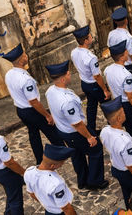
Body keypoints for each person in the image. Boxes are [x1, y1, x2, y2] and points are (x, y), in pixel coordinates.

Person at [45, 60, 108, 190]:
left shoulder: (50, 90)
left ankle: (82, 180)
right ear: (63, 79)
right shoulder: (67, 101)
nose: (70, 75)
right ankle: (95, 181)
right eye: (68, 74)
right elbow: (77, 124)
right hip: (74, 132)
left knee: (77, 154)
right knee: (96, 150)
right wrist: (89, 137)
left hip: (62, 130)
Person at [3, 43, 64, 165]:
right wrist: (47, 115)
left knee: (33, 134)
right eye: (25, 55)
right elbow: (33, 101)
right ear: (21, 60)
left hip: (20, 109)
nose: (27, 56)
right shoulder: (26, 79)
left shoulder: (9, 74)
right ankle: (63, 152)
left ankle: (39, 159)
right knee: (51, 131)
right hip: (31, 110)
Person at [100, 96, 132, 210]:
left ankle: (129, 209)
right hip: (128, 173)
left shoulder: (105, 131)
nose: (125, 113)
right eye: (123, 112)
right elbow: (131, 166)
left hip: (116, 168)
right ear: (119, 118)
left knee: (127, 193)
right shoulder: (126, 141)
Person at [105, 41, 132, 152]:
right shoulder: (126, 75)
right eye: (126, 52)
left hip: (117, 103)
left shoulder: (108, 69)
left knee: (128, 126)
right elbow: (130, 96)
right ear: (123, 56)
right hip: (127, 104)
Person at [71, 25, 111, 132]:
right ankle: (113, 124)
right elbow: (97, 76)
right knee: (107, 104)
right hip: (94, 85)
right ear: (86, 40)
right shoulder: (91, 57)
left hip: (84, 83)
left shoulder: (74, 52)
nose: (92, 38)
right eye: (90, 36)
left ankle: (91, 129)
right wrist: (105, 90)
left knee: (91, 107)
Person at [0, 106, 24, 214]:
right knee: (16, 200)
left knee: (11, 193)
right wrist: (24, 173)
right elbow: (9, 162)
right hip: (4, 172)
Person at [24, 144, 76, 215]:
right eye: (62, 163)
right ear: (52, 166)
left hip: (49, 210)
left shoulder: (29, 172)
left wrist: (46, 203)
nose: (62, 164)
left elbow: (31, 193)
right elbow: (66, 208)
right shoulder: (56, 184)